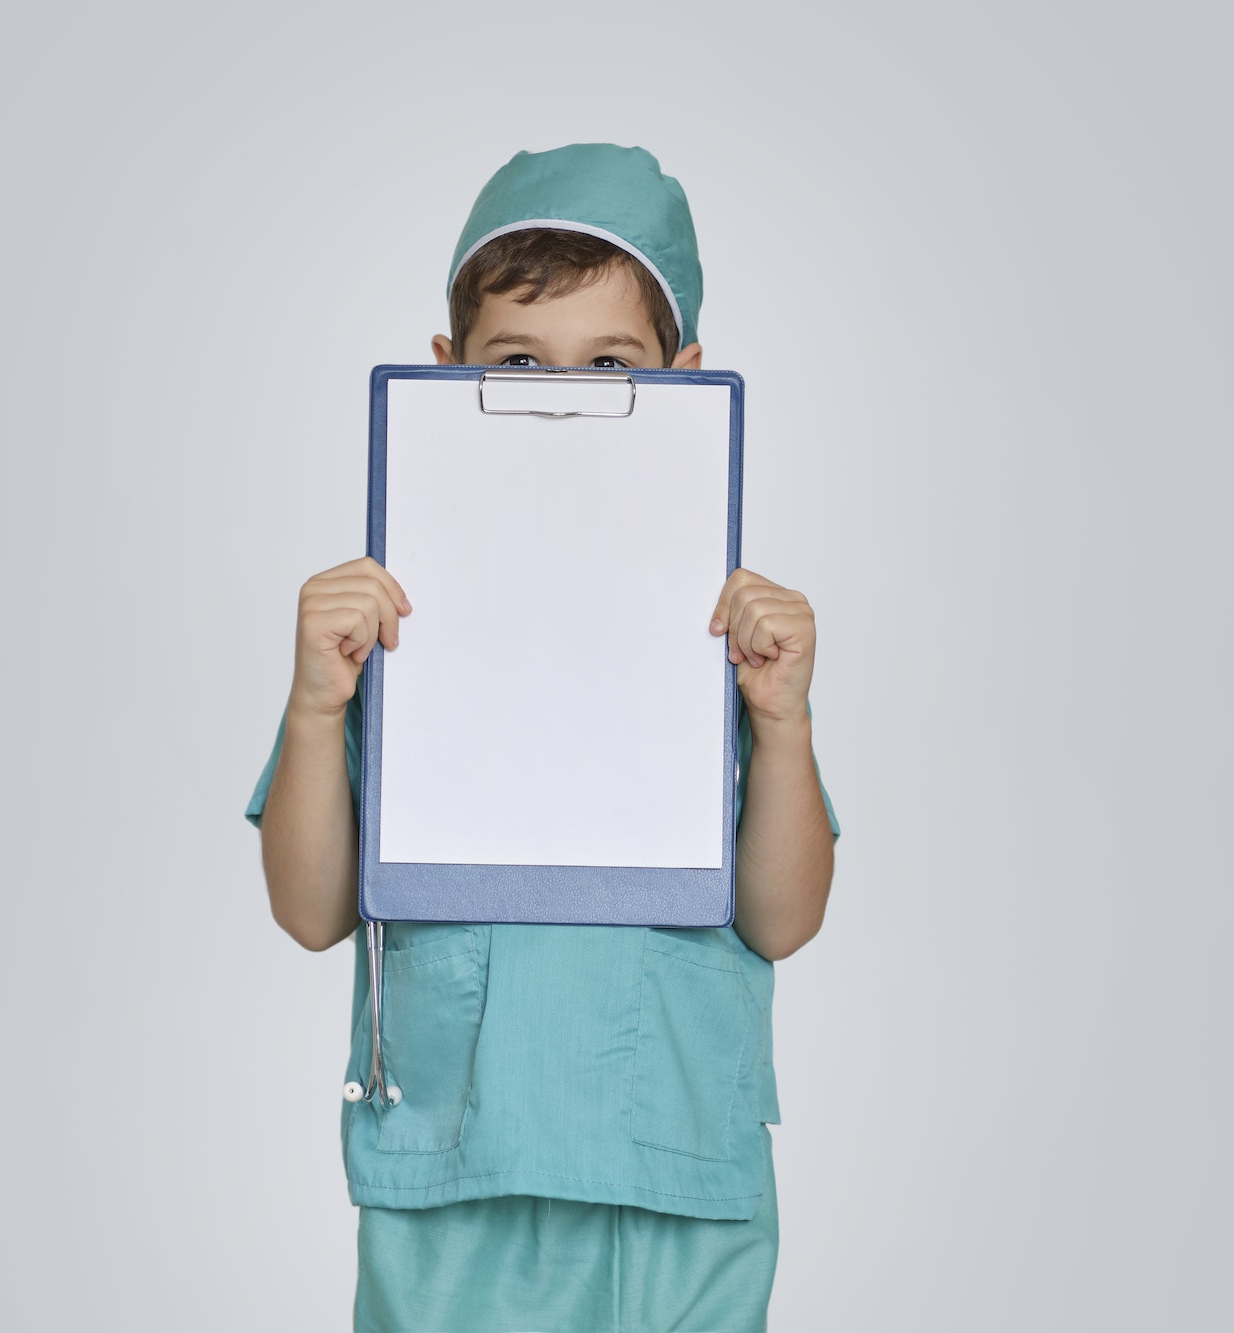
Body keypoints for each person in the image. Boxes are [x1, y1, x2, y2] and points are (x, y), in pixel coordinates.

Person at [247, 144, 840, 1333]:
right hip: (452, 1172)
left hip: (673, 1184)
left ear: (684, 378)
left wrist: (780, 725)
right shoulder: (389, 627)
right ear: (442, 372)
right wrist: (317, 704)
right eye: (516, 362)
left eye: (608, 364)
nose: (558, 397)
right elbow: (312, 910)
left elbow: (782, 917)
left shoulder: (726, 634)